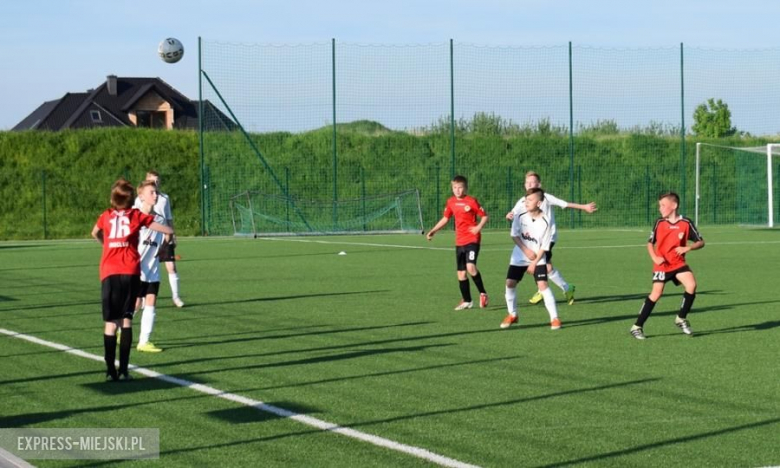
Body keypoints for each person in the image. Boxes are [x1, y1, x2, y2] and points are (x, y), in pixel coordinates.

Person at [92, 179, 173, 381]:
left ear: (113, 199)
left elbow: (95, 232)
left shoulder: (106, 215)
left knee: (111, 323)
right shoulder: (136, 215)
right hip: (130, 271)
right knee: (126, 320)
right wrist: (165, 242)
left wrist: (107, 245)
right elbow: (168, 231)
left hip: (109, 271)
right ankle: (124, 370)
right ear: (131, 200)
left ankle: (110, 370)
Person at [506, 171, 597, 305]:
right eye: (527, 182)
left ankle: (543, 290)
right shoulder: (522, 201)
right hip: (532, 240)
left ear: (539, 184)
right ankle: (565, 288)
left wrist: (584, 207)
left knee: (539, 264)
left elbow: (565, 204)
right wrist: (509, 215)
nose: (530, 184)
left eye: (533, 182)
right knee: (547, 267)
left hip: (548, 239)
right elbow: (513, 213)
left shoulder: (546, 198)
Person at [630, 192, 704, 340]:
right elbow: (650, 243)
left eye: (663, 205)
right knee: (656, 294)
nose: (660, 208)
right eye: (660, 206)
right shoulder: (659, 222)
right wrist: (655, 257)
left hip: (678, 263)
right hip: (662, 265)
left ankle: (681, 318)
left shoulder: (686, 223)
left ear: (674, 205)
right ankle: (637, 326)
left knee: (691, 285)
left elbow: (701, 242)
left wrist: (688, 247)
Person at [500, 188, 561, 330]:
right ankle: (512, 314)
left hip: (538, 257)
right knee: (510, 283)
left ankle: (555, 318)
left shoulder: (546, 221)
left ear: (539, 203)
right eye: (526, 200)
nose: (526, 202)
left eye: (530, 200)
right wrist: (526, 250)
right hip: (519, 255)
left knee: (543, 285)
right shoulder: (520, 215)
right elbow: (514, 235)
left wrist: (534, 262)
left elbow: (545, 246)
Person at [426, 175, 489, 310]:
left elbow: (484, 216)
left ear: (465, 188)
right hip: (459, 241)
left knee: (470, 267)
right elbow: (445, 218)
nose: (457, 190)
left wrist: (478, 227)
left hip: (472, 239)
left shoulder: (471, 201)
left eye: (460, 187)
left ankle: (483, 293)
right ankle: (467, 301)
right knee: (461, 273)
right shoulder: (451, 202)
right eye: (455, 187)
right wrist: (433, 231)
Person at [134, 171, 184, 308]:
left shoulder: (164, 198)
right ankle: (141, 298)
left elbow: (168, 218)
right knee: (144, 269)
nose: (155, 183)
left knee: (171, 266)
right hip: (146, 238)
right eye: (152, 181)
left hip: (163, 236)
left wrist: (172, 236)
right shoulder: (139, 199)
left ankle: (176, 296)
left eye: (157, 181)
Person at [134, 180, 166, 353]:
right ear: (141, 196)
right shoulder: (135, 217)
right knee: (136, 303)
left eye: (156, 192)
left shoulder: (159, 218)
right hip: (137, 268)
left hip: (153, 269)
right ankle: (120, 328)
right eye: (151, 192)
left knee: (151, 301)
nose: (155, 195)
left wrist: (164, 248)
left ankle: (144, 341)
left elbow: (164, 238)